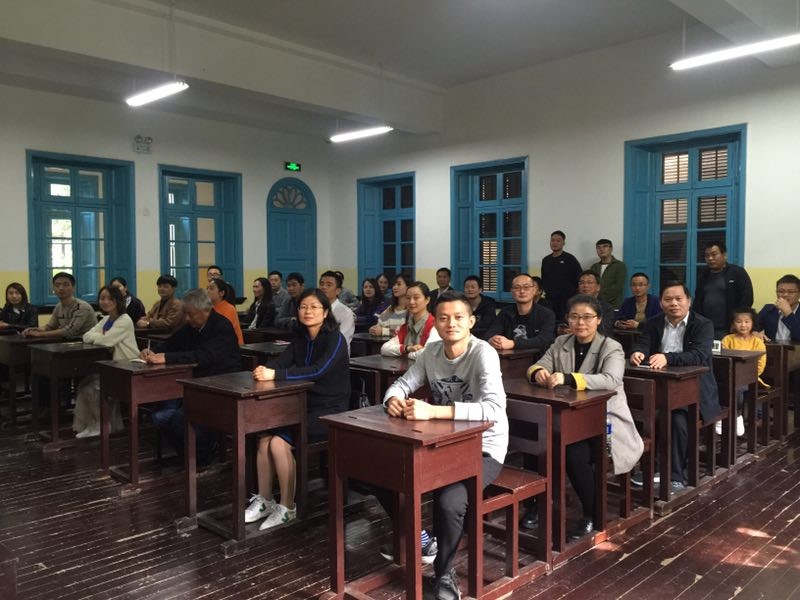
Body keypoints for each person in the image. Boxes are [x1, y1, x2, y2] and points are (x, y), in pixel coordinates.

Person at [380, 290, 508, 600]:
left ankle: (444, 571)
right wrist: (392, 399)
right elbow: (402, 384)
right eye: (444, 318)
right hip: (441, 444)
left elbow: (493, 410)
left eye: (459, 317)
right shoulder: (431, 352)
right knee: (382, 474)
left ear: (471, 321)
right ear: (435, 322)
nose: (451, 324)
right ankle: (425, 541)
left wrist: (434, 411)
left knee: (449, 502)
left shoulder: (483, 353)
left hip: (483, 447)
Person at [528, 294, 643, 539]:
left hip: (605, 422)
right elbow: (539, 364)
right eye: (574, 317)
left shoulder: (611, 347)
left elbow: (611, 380)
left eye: (588, 317)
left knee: (573, 453)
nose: (580, 323)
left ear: (598, 319)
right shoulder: (562, 341)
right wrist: (538, 372)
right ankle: (538, 503)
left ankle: (592, 513)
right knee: (535, 443)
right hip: (568, 419)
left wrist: (568, 378)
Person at [247, 289, 350, 529]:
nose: (308, 312)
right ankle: (265, 500)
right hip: (303, 407)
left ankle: (287, 507)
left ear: (326, 312)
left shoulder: (335, 339)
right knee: (264, 437)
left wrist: (276, 374)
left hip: (331, 411)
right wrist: (264, 369)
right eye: (303, 307)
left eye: (314, 307)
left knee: (278, 442)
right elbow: (281, 362)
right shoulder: (300, 339)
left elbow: (317, 371)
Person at [630, 283, 720, 492]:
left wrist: (668, 358)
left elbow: (699, 355)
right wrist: (638, 352)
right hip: (660, 387)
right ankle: (651, 468)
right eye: (668, 299)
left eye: (679, 299)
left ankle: (675, 474)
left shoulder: (703, 324)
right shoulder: (653, 322)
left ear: (689, 301)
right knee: (645, 414)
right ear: (661, 302)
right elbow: (642, 343)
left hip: (695, 390)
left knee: (676, 419)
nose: (674, 303)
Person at [141, 289, 241, 465]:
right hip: (193, 384)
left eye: (190, 314)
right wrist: (153, 351)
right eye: (185, 314)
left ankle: (201, 457)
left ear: (205, 311)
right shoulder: (192, 326)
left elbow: (204, 356)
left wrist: (167, 358)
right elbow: (172, 343)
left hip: (220, 386)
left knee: (179, 420)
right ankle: (188, 456)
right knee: (159, 417)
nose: (187, 319)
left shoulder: (221, 327)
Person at [72, 285, 139, 438]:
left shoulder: (124, 320)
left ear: (118, 301)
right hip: (112, 366)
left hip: (128, 366)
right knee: (84, 385)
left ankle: (102, 425)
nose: (105, 302)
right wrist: (101, 338)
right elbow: (86, 335)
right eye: (102, 298)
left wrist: (102, 338)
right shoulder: (107, 319)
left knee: (94, 388)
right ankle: (93, 423)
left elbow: (107, 341)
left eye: (110, 299)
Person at [693, 241, 753, 340]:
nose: (710, 258)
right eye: (707, 255)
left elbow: (747, 299)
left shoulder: (737, 272)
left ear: (724, 255)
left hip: (730, 328)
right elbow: (698, 300)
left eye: (714, 254)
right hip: (706, 327)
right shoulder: (703, 274)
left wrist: (736, 322)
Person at [721, 307, 767, 437]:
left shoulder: (757, 342)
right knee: (721, 386)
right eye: (739, 321)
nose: (743, 325)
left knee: (739, 387)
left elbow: (760, 364)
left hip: (751, 378)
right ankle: (721, 416)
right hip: (730, 377)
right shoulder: (727, 340)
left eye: (747, 321)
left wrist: (747, 376)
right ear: (733, 324)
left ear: (753, 323)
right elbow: (722, 360)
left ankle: (737, 416)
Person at [485, 273, 555, 352]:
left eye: (526, 287)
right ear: (511, 291)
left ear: (534, 290)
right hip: (509, 357)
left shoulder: (546, 314)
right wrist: (492, 340)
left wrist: (513, 343)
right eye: (517, 287)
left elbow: (544, 340)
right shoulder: (505, 312)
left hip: (538, 358)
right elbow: (490, 334)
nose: (522, 291)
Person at [23, 272, 96, 339]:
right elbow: (50, 327)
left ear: (73, 287)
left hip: (87, 344)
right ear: (53, 288)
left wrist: (40, 334)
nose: (61, 288)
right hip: (70, 343)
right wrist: (34, 330)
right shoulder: (58, 306)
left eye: (65, 285)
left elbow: (70, 331)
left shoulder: (81, 307)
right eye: (57, 285)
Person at [381, 281, 440, 359]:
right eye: (408, 298)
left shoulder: (434, 325)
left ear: (427, 300)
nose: (411, 302)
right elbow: (384, 349)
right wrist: (407, 348)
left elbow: (428, 354)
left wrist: (406, 354)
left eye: (416, 298)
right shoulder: (406, 326)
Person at [540, 230, 582, 321]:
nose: (555, 243)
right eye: (552, 240)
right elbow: (544, 279)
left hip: (567, 301)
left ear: (563, 243)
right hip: (550, 300)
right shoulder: (546, 260)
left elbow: (579, 279)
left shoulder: (570, 259)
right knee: (550, 323)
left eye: (558, 240)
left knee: (565, 324)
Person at [757, 274, 800, 343]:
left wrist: (788, 313)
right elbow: (751, 327)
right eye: (781, 291)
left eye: (791, 292)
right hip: (773, 348)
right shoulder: (768, 309)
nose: (785, 295)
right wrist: (754, 333)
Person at [571, 271, 615, 337]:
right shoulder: (572, 306)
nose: (585, 286)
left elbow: (604, 330)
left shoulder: (607, 308)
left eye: (590, 283)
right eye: (582, 283)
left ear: (598, 287)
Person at [319, 271, 355, 349]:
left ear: (338, 291)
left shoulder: (346, 313)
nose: (323, 287)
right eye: (321, 284)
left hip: (336, 352)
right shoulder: (315, 309)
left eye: (329, 285)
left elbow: (341, 340)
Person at [590, 239, 627, 309]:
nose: (601, 249)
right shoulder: (594, 267)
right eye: (598, 247)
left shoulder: (619, 265)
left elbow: (617, 287)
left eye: (605, 246)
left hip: (613, 305)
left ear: (611, 249)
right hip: (595, 305)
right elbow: (591, 286)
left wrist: (600, 299)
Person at [207, 278, 244, 345]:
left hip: (231, 345)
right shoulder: (208, 308)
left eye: (211, 288)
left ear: (221, 293)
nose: (208, 291)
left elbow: (222, 330)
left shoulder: (229, 309)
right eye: (207, 288)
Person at [462, 275, 496, 339]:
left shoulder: (488, 303)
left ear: (480, 290)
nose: (469, 289)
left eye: (473, 287)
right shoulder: (460, 303)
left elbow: (489, 325)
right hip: (464, 336)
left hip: (484, 337)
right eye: (467, 287)